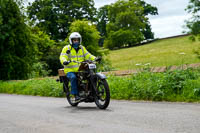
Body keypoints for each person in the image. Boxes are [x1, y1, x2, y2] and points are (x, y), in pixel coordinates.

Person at [60, 32, 100, 102]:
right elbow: (63, 56)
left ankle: (92, 92)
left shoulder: (82, 48)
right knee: (73, 77)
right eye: (74, 40)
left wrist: (95, 58)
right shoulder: (67, 48)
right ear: (71, 40)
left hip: (81, 69)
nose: (76, 41)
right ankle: (76, 96)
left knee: (92, 76)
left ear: (79, 40)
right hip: (70, 70)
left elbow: (88, 55)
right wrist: (64, 61)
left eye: (77, 40)